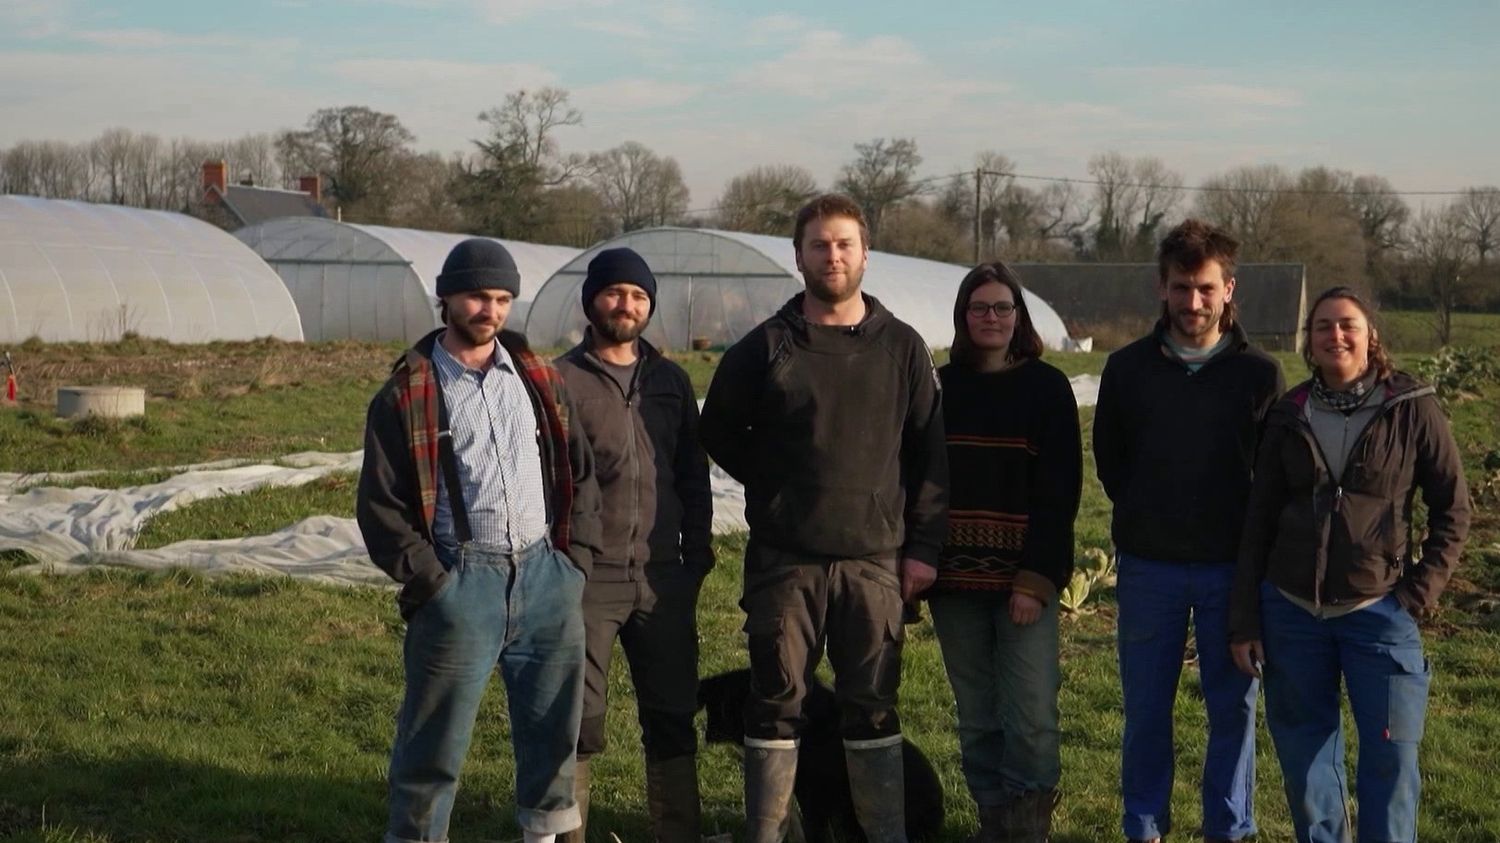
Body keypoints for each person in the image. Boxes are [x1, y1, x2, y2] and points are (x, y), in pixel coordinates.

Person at [699, 193, 948, 843]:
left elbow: (929, 454)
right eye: (819, 244)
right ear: (799, 255)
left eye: (843, 243)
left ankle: (879, 833)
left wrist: (922, 547)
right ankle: (770, 834)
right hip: (787, 559)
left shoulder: (902, 348)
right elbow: (720, 429)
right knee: (776, 699)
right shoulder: (767, 347)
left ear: (865, 252)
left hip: (875, 559)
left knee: (869, 705)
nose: (832, 255)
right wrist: (779, 484)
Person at [356, 238, 603, 843]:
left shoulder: (539, 378)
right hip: (461, 581)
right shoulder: (408, 392)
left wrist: (575, 563)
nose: (488, 310)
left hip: (547, 576)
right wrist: (430, 581)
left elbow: (580, 470)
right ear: (446, 298)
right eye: (475, 296)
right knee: (433, 739)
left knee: (552, 732)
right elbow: (380, 503)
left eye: (500, 298)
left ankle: (543, 837)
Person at [1230, 286, 1470, 843]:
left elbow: (1453, 509)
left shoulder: (1412, 408)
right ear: (1308, 341)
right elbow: (1257, 523)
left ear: (1370, 337)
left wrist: (1415, 595)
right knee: (1307, 764)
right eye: (1322, 327)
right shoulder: (1289, 414)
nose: (1335, 335)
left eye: (1347, 325)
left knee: (1391, 759)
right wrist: (1245, 620)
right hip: (1292, 611)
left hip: (1380, 613)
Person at [1093, 219, 1284, 843]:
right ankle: (1143, 827)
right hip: (1151, 567)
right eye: (1181, 288)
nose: (1192, 302)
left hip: (1233, 570)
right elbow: (1112, 463)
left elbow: (1271, 479)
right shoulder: (1126, 370)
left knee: (1234, 710)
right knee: (1147, 711)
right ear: (1161, 288)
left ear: (1230, 288)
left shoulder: (1260, 375)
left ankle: (1228, 830)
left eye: (1205, 288)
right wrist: (1153, 518)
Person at [554, 247, 714, 843]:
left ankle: (678, 832)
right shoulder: (560, 379)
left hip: (663, 576)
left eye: (640, 296)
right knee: (577, 720)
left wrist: (695, 557)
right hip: (587, 577)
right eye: (616, 293)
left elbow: (692, 474)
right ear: (592, 300)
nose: (628, 305)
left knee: (672, 715)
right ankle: (567, 833)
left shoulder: (670, 380)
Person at [927, 262, 1081, 843]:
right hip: (953, 579)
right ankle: (993, 820)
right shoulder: (940, 387)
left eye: (1002, 308)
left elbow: (1060, 490)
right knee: (977, 717)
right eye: (979, 308)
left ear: (1019, 317)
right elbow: (919, 480)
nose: (991, 318)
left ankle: (1027, 825)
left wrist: (1036, 579)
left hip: (1022, 580)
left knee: (1033, 717)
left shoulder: (1046, 387)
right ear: (964, 317)